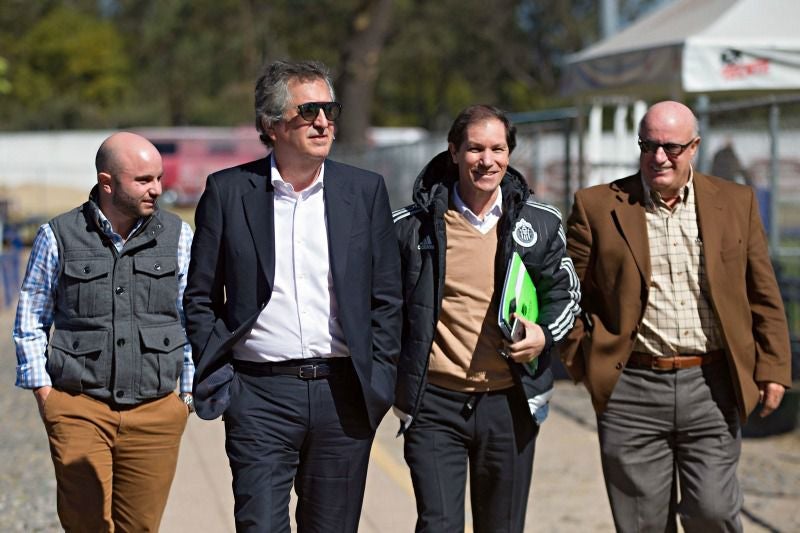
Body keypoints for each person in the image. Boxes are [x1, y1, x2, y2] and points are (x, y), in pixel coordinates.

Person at [183, 59, 402, 532]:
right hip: (258, 396)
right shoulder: (228, 192)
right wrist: (226, 384)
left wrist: (379, 381)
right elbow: (199, 297)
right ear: (272, 124)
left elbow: (387, 297)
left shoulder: (364, 192)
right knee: (260, 525)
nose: (324, 121)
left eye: (330, 109)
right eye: (309, 111)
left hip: (343, 394)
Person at [561, 100, 792, 532]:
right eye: (648, 145)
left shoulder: (735, 202)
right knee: (642, 523)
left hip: (712, 384)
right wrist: (583, 361)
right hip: (631, 389)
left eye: (671, 147)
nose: (659, 157)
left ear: (695, 147)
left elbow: (762, 292)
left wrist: (773, 366)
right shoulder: (597, 207)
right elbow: (566, 293)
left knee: (714, 510)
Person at [393, 104, 581, 532]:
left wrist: (544, 335)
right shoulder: (411, 227)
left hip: (510, 403)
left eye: (498, 149)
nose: (487, 160)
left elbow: (566, 293)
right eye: (475, 148)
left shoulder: (540, 222)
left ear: (510, 154)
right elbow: (382, 308)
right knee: (438, 523)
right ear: (454, 151)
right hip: (434, 405)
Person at [13, 132, 195, 532]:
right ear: (108, 182)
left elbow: (192, 317)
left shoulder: (178, 236)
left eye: (159, 178)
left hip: (157, 411)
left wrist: (186, 396)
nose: (158, 189)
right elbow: (31, 318)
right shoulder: (57, 236)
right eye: (144, 180)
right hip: (78, 407)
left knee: (140, 527)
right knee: (86, 524)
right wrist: (47, 397)